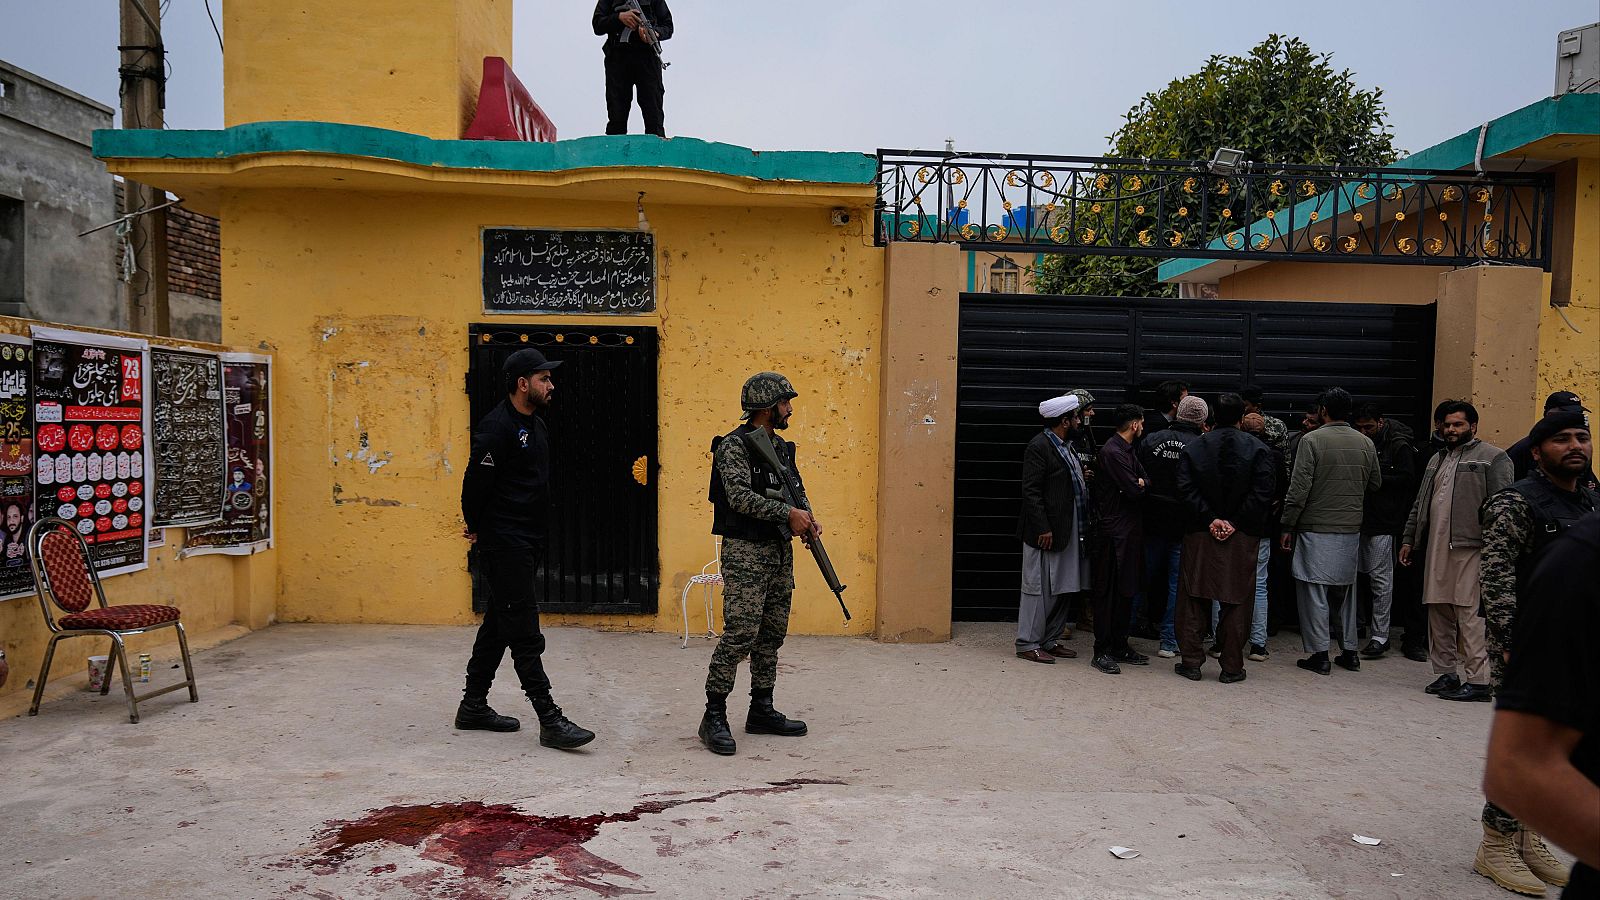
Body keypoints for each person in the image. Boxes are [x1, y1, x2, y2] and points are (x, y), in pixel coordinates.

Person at [1473, 410, 1596, 894]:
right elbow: (1496, 576)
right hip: (1528, 644)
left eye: (1582, 437)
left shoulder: (1591, 499)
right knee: (1526, 751)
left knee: (1564, 749)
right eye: (1562, 439)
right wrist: (1510, 644)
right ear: (1538, 452)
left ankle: (1527, 837)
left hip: (1577, 646)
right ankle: (1495, 844)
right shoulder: (1514, 502)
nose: (1575, 446)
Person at [458, 348, 594, 750]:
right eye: (543, 379)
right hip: (505, 542)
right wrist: (478, 527)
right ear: (523, 384)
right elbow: (474, 485)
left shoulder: (536, 425)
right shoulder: (495, 428)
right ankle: (549, 718)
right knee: (523, 630)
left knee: (500, 621)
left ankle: (472, 706)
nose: (551, 386)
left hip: (530, 538)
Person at [699, 372, 815, 756]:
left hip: (779, 552)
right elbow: (738, 498)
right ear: (767, 407)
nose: (790, 409)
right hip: (746, 553)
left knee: (771, 635)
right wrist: (788, 514)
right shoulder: (733, 447)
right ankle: (713, 715)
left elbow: (795, 491)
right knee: (740, 635)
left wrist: (807, 518)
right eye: (785, 402)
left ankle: (761, 709)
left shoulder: (779, 446)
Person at [1400, 401, 1512, 700]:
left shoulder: (1493, 457)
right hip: (1436, 547)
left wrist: (1496, 551)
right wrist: (1409, 538)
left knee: (1469, 614)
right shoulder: (1436, 459)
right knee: (1438, 610)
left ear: (1473, 426)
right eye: (1447, 425)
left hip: (1472, 547)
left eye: (1458, 424)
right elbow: (1420, 503)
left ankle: (1479, 682)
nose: (1451, 430)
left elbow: (1503, 508)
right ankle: (1446, 673)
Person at [1174, 393, 1275, 683]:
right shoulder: (1258, 449)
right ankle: (1231, 666)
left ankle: (1191, 662)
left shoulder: (1195, 447)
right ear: (1242, 417)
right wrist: (1234, 522)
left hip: (1200, 531)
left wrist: (1210, 518)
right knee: (1237, 600)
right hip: (1241, 536)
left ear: (1212, 417)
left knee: (1193, 597)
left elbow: (1184, 488)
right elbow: (1263, 493)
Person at [1281, 387, 1381, 675]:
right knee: (1346, 593)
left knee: (1313, 591)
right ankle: (1350, 652)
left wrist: (1287, 524)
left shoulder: (1311, 440)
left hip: (1315, 527)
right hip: (1350, 528)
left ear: (1323, 410)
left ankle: (1320, 654)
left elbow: (1298, 489)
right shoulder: (1365, 442)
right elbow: (1375, 483)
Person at [1014, 393, 1091, 665]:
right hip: (1045, 534)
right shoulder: (1039, 446)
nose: (1080, 421)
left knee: (1063, 587)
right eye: (1076, 417)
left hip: (1068, 531)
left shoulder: (1066, 446)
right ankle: (1028, 643)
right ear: (1065, 421)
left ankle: (1050, 639)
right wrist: (1042, 528)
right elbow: (1031, 491)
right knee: (1038, 589)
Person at [1135, 395, 1208, 657]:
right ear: (1202, 419)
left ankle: (1124, 630)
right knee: (1178, 586)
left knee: (1140, 578)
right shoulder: (1201, 445)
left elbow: (1137, 475)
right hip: (1184, 525)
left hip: (1152, 520)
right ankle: (1169, 640)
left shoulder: (1152, 439)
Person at [1351, 403, 1418, 660]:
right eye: (1359, 427)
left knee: (1381, 580)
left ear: (1380, 422)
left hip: (1384, 523)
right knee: (1354, 578)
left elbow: (1408, 480)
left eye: (1368, 427)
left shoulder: (1398, 445)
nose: (1364, 432)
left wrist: (1375, 478)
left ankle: (1380, 635)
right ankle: (1357, 627)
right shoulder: (1359, 442)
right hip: (1358, 520)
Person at [1089, 403, 1148, 674]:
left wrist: (1140, 483)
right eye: (1142, 423)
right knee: (1107, 593)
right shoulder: (1113, 452)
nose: (1143, 428)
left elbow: (1145, 481)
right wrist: (1138, 484)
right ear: (1134, 424)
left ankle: (1119, 645)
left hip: (1127, 532)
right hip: (1113, 535)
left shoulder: (1127, 451)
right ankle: (1101, 650)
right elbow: (1135, 489)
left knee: (1125, 591)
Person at [1238, 411, 1285, 660]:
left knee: (1225, 582)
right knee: (1259, 585)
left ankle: (1220, 640)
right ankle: (1258, 644)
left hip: (1235, 527)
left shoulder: (1235, 449)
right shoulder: (1275, 455)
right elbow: (1282, 491)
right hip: (1263, 528)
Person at [592, 0, 673, 137]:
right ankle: (615, 149)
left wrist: (655, 33)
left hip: (647, 59)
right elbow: (597, 24)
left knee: (653, 114)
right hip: (618, 59)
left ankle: (656, 149)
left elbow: (668, 26)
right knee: (617, 114)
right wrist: (619, 17)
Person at [1507, 391, 1597, 489]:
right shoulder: (1525, 448)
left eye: (1582, 439)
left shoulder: (1580, 450)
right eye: (1561, 440)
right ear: (1536, 452)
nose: (1576, 446)